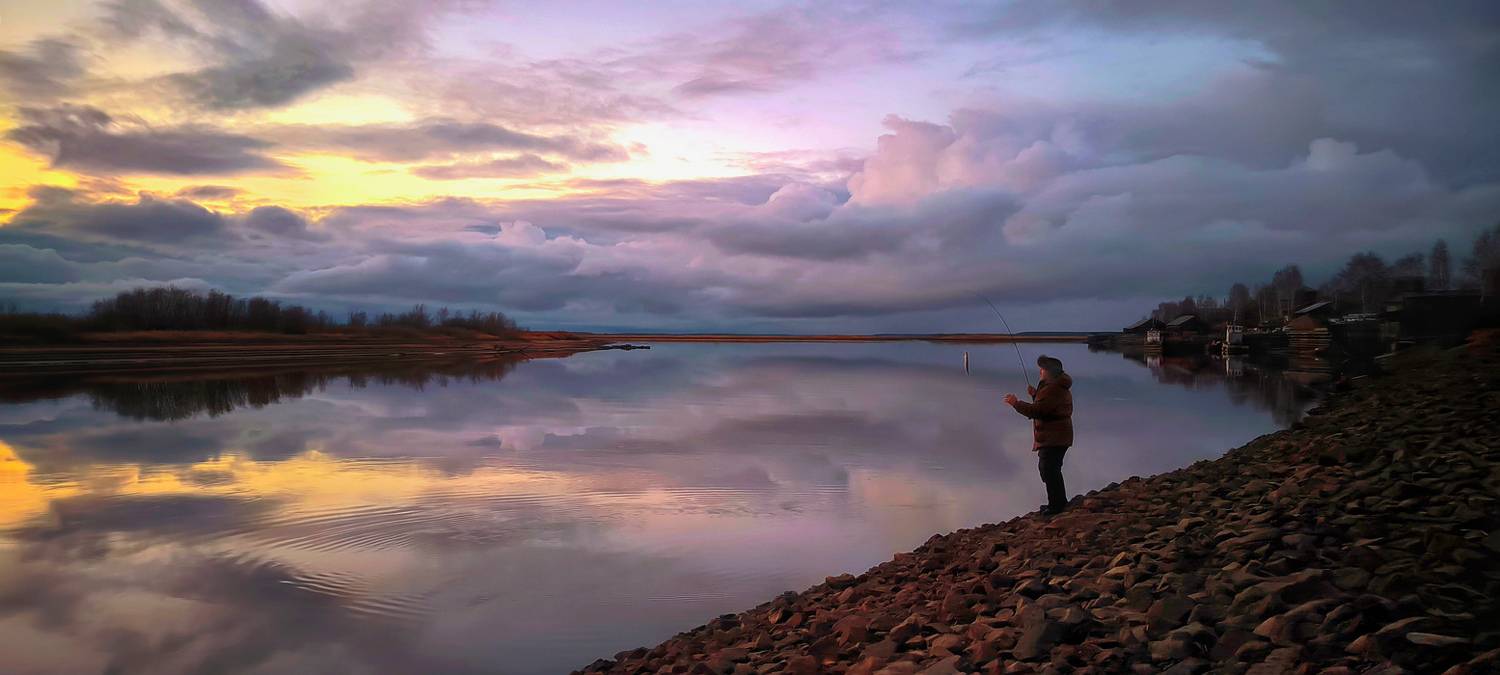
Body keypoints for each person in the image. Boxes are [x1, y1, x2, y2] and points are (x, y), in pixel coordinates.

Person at [1003, 355, 1074, 515]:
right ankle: (1057, 502)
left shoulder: (1053, 389)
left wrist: (1016, 403)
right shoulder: (1053, 386)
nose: (1040, 372)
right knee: (1050, 470)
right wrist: (1036, 395)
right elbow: (1047, 406)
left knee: (1049, 470)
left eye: (1043, 369)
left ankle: (1057, 506)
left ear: (1050, 372)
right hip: (1056, 436)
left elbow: (1038, 411)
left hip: (1055, 437)